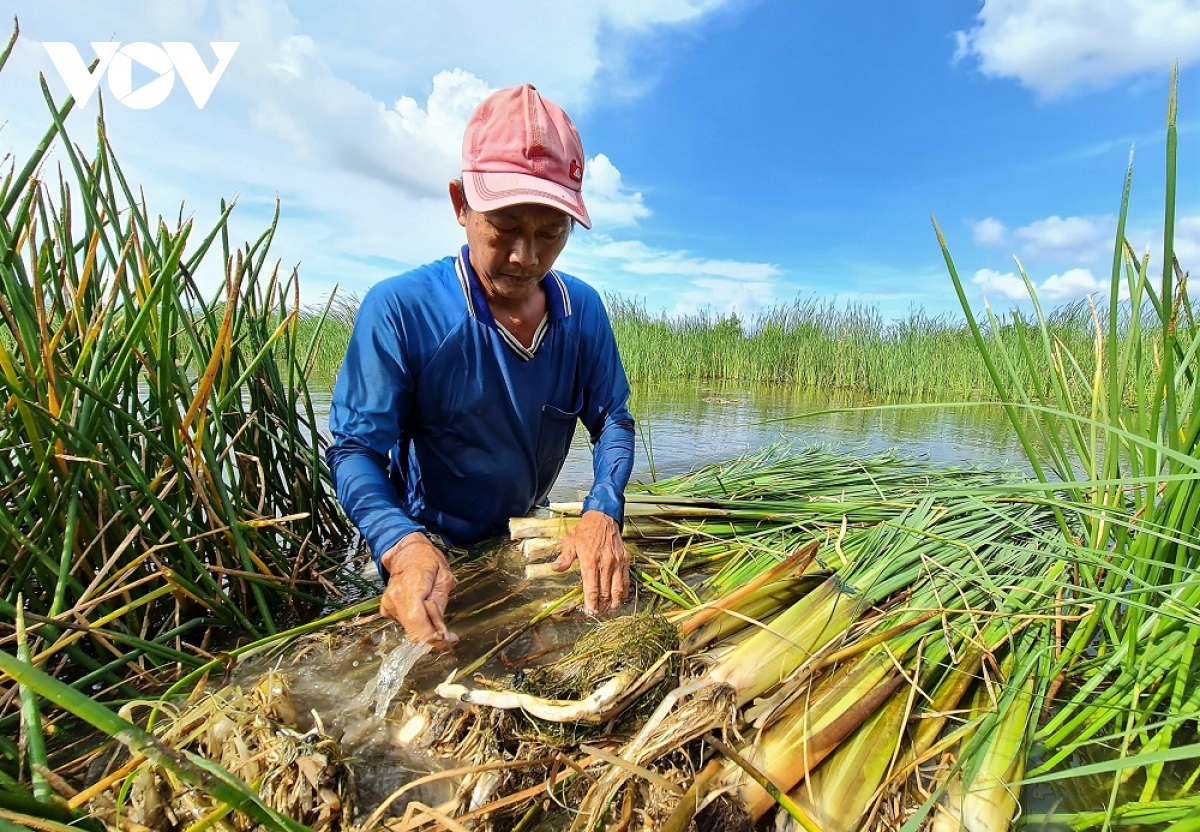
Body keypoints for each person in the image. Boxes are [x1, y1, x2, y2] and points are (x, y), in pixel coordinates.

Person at [327, 84, 636, 650]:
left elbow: (613, 418)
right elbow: (355, 451)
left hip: (522, 535)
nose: (526, 257)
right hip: (429, 542)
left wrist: (602, 510)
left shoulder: (583, 311)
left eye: (550, 233)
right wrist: (400, 544)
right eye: (505, 227)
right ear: (460, 204)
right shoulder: (402, 310)